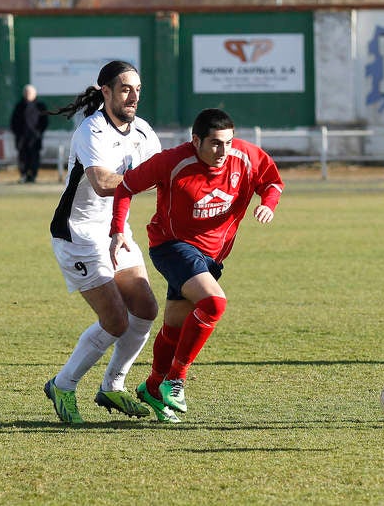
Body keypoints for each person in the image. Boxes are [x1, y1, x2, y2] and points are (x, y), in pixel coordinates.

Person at [109, 108, 284, 419]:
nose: (223, 151)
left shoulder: (245, 156)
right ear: (196, 140)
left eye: (228, 142)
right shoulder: (171, 162)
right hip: (172, 246)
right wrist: (118, 229)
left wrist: (268, 204)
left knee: (175, 328)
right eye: (215, 143)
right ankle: (175, 380)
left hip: (212, 257)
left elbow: (272, 181)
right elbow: (126, 187)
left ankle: (153, 387)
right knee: (214, 303)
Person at [44, 60, 178, 424]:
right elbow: (104, 183)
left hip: (116, 230)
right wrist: (147, 177)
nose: (133, 97)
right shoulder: (92, 131)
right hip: (79, 235)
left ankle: (112, 386)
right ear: (105, 91)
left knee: (145, 308)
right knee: (116, 320)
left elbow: (163, 174)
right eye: (125, 89)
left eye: (138, 90)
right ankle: (63, 385)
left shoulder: (144, 132)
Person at [10, 84, 48, 183]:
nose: (28, 94)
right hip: (22, 138)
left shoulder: (40, 106)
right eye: (26, 93)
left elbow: (44, 122)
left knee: (34, 158)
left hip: (35, 139)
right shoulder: (19, 106)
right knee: (22, 158)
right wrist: (18, 133)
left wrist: (38, 133)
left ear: (34, 94)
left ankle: (33, 176)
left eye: (30, 93)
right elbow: (13, 122)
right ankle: (23, 175)